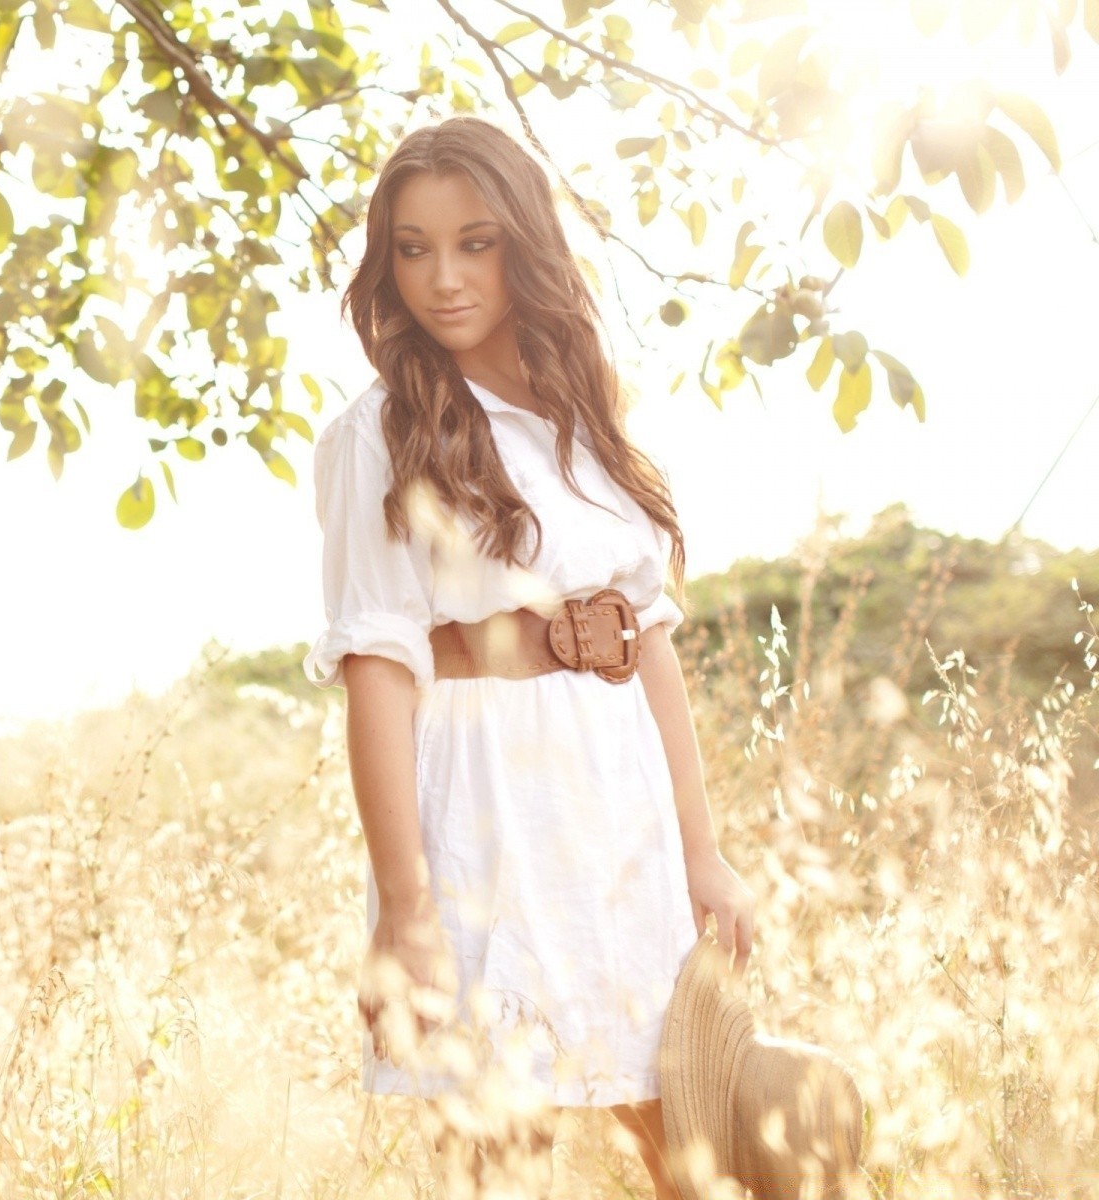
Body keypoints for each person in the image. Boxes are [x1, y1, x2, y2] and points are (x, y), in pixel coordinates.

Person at [301, 115, 759, 1198]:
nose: (442, 278)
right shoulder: (381, 432)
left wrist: (704, 853)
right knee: (497, 1169)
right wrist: (406, 910)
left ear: (526, 246)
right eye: (411, 248)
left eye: (475, 242)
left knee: (696, 1155)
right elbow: (377, 670)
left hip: (620, 806)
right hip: (483, 814)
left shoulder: (586, 420)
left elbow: (645, 647)